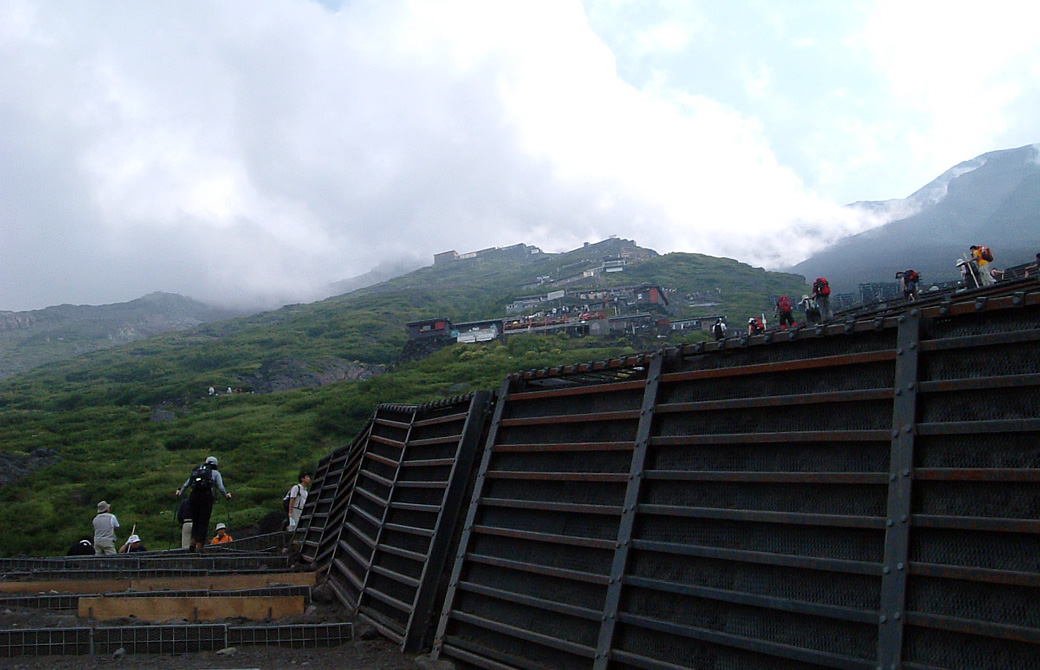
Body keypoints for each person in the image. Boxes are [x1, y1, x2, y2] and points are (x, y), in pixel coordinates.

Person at [175, 456, 231, 553]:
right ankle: (200, 546)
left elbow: (187, 484)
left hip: (194, 496)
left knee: (196, 520)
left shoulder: (197, 471)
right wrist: (226, 494)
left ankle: (192, 542)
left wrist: (180, 492)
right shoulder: (215, 473)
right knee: (203, 521)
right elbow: (220, 486)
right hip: (206, 497)